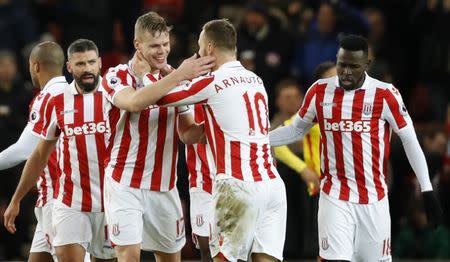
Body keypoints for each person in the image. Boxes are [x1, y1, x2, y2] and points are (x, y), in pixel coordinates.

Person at [269, 35, 443, 261]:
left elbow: (410, 141)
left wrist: (427, 189)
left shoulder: (385, 94)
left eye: (353, 66)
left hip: (374, 199)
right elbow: (295, 130)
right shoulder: (319, 91)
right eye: (342, 64)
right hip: (334, 196)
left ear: (367, 65)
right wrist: (255, 139)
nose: (346, 72)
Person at [157, 19, 287, 262]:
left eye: (199, 46)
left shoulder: (212, 82)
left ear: (209, 48)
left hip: (237, 184)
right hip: (272, 185)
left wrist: (179, 74)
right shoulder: (256, 80)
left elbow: (160, 98)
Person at [101, 11, 215, 262]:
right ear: (137, 45)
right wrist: (178, 75)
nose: (162, 51)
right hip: (125, 183)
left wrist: (215, 127)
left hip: (164, 186)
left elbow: (186, 133)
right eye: (154, 46)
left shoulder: (175, 76)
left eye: (165, 44)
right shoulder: (115, 75)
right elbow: (132, 103)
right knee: (128, 256)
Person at [3, 39, 117, 262]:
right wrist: (17, 198)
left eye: (91, 62)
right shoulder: (56, 100)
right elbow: (37, 154)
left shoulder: (114, 96)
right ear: (68, 66)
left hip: (81, 198)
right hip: (66, 201)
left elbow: (23, 150)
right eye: (80, 63)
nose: (86, 68)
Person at [0, 41, 65, 262]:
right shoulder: (72, 93)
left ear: (35, 66)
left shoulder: (46, 99)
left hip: (57, 198)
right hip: (69, 194)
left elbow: (23, 151)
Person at [184, 104, 214, 262]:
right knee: (207, 251)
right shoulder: (187, 93)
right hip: (202, 181)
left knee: (238, 250)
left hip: (235, 180)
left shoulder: (236, 91)